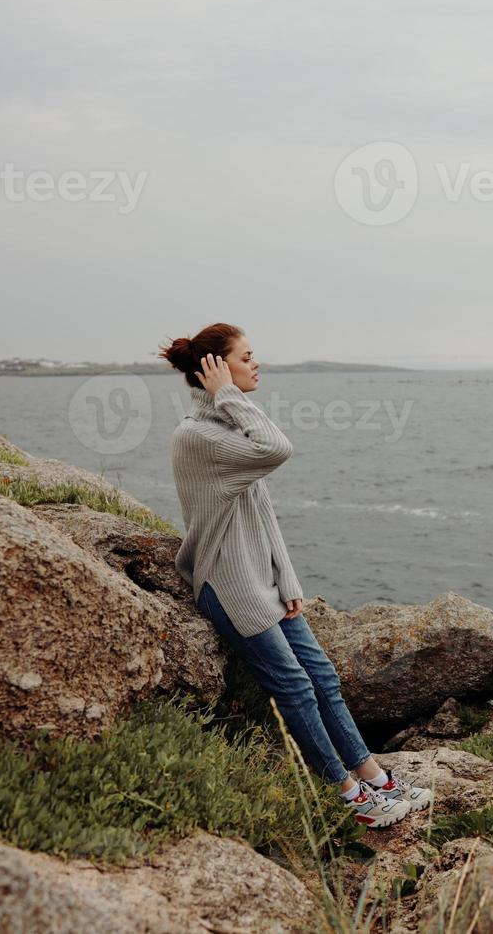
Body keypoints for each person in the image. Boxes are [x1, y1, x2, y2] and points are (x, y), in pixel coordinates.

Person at [161, 323, 431, 829]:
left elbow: (262, 514)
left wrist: (287, 581)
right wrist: (227, 397)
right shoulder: (197, 436)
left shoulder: (223, 430)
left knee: (322, 677)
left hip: (263, 583)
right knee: (295, 688)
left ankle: (374, 776)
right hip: (229, 585)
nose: (256, 363)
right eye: (246, 356)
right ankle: (347, 793)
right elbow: (278, 447)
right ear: (217, 369)